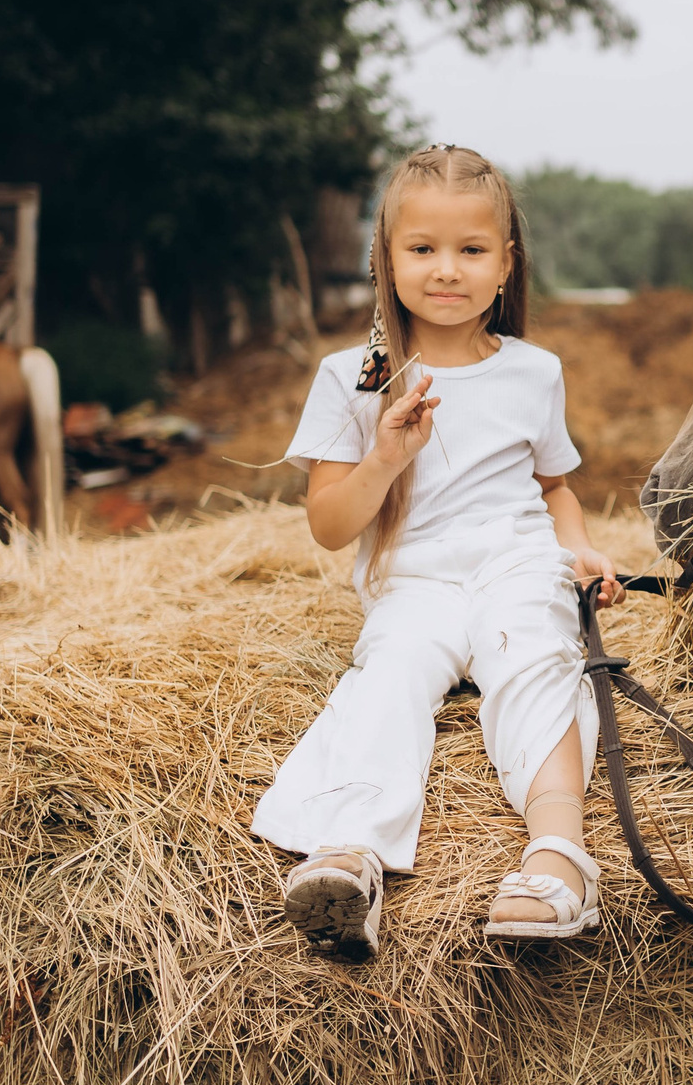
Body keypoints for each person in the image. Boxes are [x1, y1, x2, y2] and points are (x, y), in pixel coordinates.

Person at [252, 144, 620, 951]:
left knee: (538, 660)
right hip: (412, 580)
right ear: (386, 257)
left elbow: (555, 486)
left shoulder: (535, 371)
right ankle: (350, 851)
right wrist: (385, 456)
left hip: (516, 563)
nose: (445, 269)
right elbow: (329, 524)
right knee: (386, 679)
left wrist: (582, 550)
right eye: (422, 249)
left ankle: (560, 857)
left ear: (505, 263)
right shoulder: (352, 377)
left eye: (471, 250)